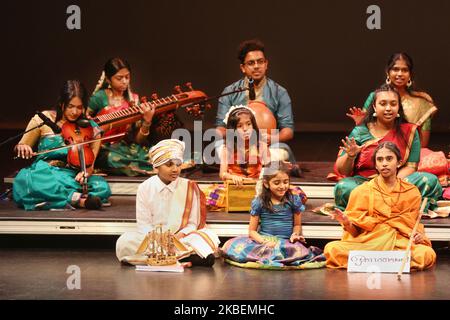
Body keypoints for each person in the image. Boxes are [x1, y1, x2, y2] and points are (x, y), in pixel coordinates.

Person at [331, 84, 442, 215]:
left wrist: (391, 185)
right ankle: (395, 207)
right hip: (367, 184)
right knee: (344, 187)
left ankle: (378, 206)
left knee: (429, 180)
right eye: (383, 104)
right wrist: (350, 156)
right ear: (374, 107)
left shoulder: (410, 131)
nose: (388, 108)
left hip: (398, 182)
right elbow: (342, 170)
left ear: (398, 108)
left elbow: (411, 167)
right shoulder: (360, 131)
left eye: (393, 104)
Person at [325, 142, 436, 270]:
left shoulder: (411, 192)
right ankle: (390, 263)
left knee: (426, 254)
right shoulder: (362, 191)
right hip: (368, 242)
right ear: (376, 165)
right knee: (332, 249)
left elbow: (411, 227)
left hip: (398, 242)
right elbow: (355, 233)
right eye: (380, 159)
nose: (384, 163)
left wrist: (418, 236)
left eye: (389, 159)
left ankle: (371, 262)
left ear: (399, 163)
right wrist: (346, 222)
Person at [116, 139, 219, 267]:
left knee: (205, 236)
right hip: (153, 239)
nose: (175, 169)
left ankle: (165, 258)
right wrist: (160, 240)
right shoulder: (145, 188)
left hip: (179, 239)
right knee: (125, 242)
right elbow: (143, 224)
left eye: (178, 164)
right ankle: (183, 258)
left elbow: (192, 224)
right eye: (169, 165)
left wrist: (177, 238)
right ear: (156, 167)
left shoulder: (189, 187)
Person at [13, 80, 111, 210]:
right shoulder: (43, 119)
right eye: (70, 106)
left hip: (71, 176)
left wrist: (86, 172)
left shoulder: (91, 128)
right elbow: (22, 145)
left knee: (102, 187)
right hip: (45, 172)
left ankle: (61, 198)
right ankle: (77, 199)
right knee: (26, 179)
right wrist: (22, 147)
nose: (75, 112)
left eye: (79, 107)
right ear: (61, 103)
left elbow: (90, 166)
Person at [221, 161, 325, 269]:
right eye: (276, 183)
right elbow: (252, 231)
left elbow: (297, 225)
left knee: (298, 252)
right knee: (238, 247)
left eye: (285, 182)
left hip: (285, 241)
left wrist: (295, 235)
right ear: (266, 184)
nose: (282, 186)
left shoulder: (294, 200)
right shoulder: (259, 202)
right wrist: (264, 242)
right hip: (265, 240)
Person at [215, 39, 299, 169]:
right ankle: (259, 163)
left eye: (260, 61)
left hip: (267, 145)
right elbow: (220, 127)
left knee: (283, 150)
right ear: (243, 68)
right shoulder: (230, 92)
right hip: (238, 145)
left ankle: (249, 163)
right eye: (251, 63)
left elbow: (288, 130)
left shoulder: (279, 92)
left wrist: (271, 138)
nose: (256, 66)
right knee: (217, 147)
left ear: (266, 64)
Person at [347, 53, 437, 148]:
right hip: (377, 153)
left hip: (409, 153)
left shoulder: (422, 103)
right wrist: (360, 123)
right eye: (395, 69)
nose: (400, 74)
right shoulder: (374, 97)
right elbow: (363, 136)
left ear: (410, 74)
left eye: (405, 70)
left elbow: (423, 145)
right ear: (388, 72)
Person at [88, 57, 156, 176]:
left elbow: (139, 140)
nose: (125, 81)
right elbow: (84, 123)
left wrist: (147, 122)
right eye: (119, 78)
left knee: (156, 153)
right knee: (112, 159)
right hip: (105, 149)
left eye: (127, 77)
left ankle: (148, 167)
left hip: (128, 147)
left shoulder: (134, 100)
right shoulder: (99, 98)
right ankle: (146, 169)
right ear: (108, 79)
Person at [219, 105, 270, 186]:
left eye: (249, 124)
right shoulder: (227, 148)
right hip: (235, 187)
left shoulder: (262, 145)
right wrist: (232, 177)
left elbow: (270, 171)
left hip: (256, 186)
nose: (245, 129)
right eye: (239, 126)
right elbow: (222, 174)